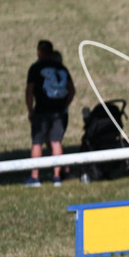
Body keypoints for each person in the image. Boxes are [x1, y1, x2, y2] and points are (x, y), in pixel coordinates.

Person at [25, 40, 75, 187]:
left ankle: (35, 177)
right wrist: (64, 105)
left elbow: (29, 91)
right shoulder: (61, 68)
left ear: (39, 52)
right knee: (56, 142)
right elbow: (72, 90)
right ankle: (57, 177)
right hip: (58, 111)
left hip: (42, 110)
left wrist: (30, 110)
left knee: (37, 142)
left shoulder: (36, 68)